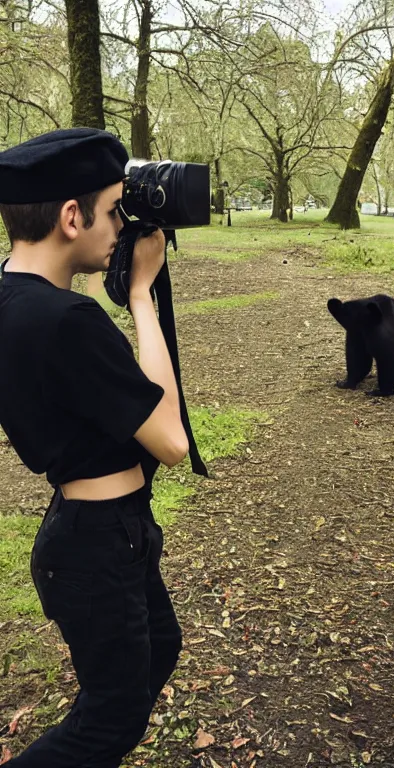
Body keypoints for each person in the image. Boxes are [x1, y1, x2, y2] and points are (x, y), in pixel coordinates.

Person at [0, 128, 189, 767]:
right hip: (97, 544)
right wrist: (141, 296)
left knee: (159, 646)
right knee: (108, 721)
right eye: (113, 210)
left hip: (94, 532)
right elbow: (170, 441)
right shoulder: (67, 323)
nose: (122, 226)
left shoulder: (13, 295)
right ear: (71, 217)